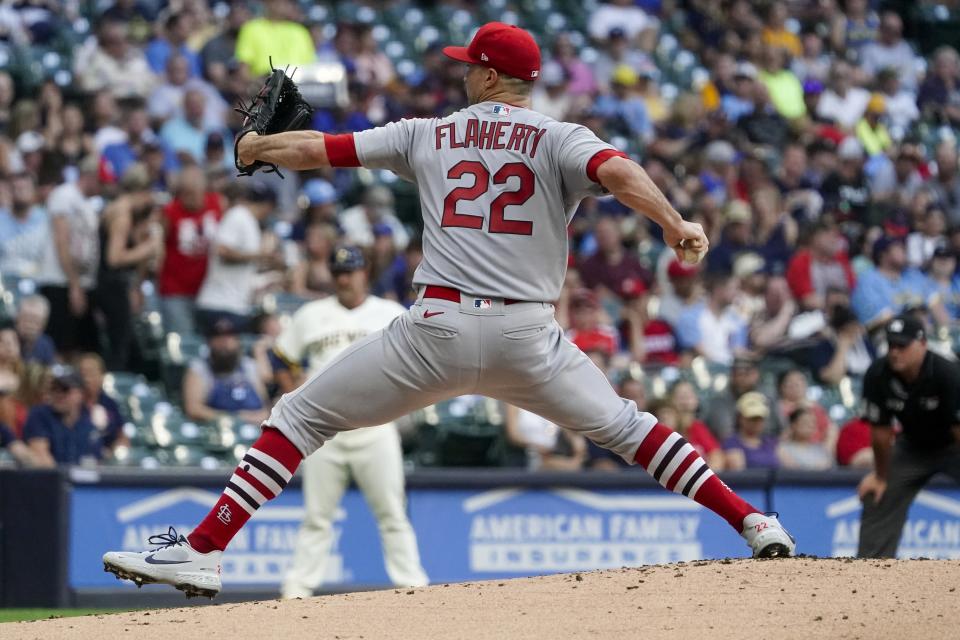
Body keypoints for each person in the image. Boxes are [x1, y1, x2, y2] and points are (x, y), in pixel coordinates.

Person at [105, 22, 794, 598]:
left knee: (300, 416)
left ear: (492, 76)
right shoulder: (561, 136)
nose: (463, 73)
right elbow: (618, 172)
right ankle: (750, 521)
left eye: (472, 66)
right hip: (528, 334)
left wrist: (256, 146)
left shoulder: (428, 133)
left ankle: (202, 547)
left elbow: (323, 149)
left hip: (438, 328)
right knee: (629, 429)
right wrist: (673, 224)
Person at [277, 246, 428, 598]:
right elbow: (283, 359)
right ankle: (297, 590)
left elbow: (419, 360)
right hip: (322, 430)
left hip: (375, 427)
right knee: (317, 516)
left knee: (392, 512)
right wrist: (297, 397)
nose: (345, 278)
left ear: (365, 272)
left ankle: (413, 585)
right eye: (339, 271)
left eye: (352, 270)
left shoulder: (389, 313)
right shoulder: (311, 314)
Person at [857, 316, 960, 558]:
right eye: (891, 345)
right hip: (913, 447)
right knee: (877, 493)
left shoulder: (948, 373)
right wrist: (880, 476)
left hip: (954, 445)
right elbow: (881, 435)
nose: (895, 352)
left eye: (902, 346)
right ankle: (870, 575)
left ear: (922, 344)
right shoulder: (878, 374)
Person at [96, 164, 162, 370]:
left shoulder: (127, 212)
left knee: (129, 345)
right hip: (111, 286)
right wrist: (148, 248)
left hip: (118, 285)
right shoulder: (122, 214)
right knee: (119, 345)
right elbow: (114, 258)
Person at [36, 155, 101, 357]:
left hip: (79, 283)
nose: (102, 186)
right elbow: (61, 241)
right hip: (60, 282)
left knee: (81, 347)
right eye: (100, 180)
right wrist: (74, 285)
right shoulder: (64, 195)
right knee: (61, 346)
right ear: (89, 176)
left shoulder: (86, 202)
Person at [195, 182, 279, 332]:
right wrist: (261, 255)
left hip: (235, 305)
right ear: (268, 206)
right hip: (220, 304)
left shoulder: (250, 221)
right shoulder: (239, 215)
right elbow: (222, 250)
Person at [157, 166, 223, 336]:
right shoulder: (170, 212)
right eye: (184, 193)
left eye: (193, 193)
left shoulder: (217, 204)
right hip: (176, 290)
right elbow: (158, 246)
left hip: (209, 290)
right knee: (183, 340)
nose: (188, 198)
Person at [181, 318, 269, 425]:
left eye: (229, 336)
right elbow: (194, 409)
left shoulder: (249, 366)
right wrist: (235, 419)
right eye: (218, 337)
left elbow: (265, 406)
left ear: (237, 341)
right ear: (209, 342)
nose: (224, 342)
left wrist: (258, 417)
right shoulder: (199, 368)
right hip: (218, 431)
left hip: (255, 428)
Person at [23, 366, 102, 467]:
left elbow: (95, 462)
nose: (58, 394)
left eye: (65, 389)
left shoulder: (89, 419)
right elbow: (41, 458)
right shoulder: (39, 414)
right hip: (50, 480)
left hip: (82, 480)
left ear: (80, 393)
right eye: (54, 389)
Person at [722, 392, 781, 470]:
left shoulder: (771, 442)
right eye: (752, 418)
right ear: (740, 418)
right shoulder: (731, 443)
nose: (757, 422)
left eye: (760, 418)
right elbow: (739, 472)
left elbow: (791, 468)